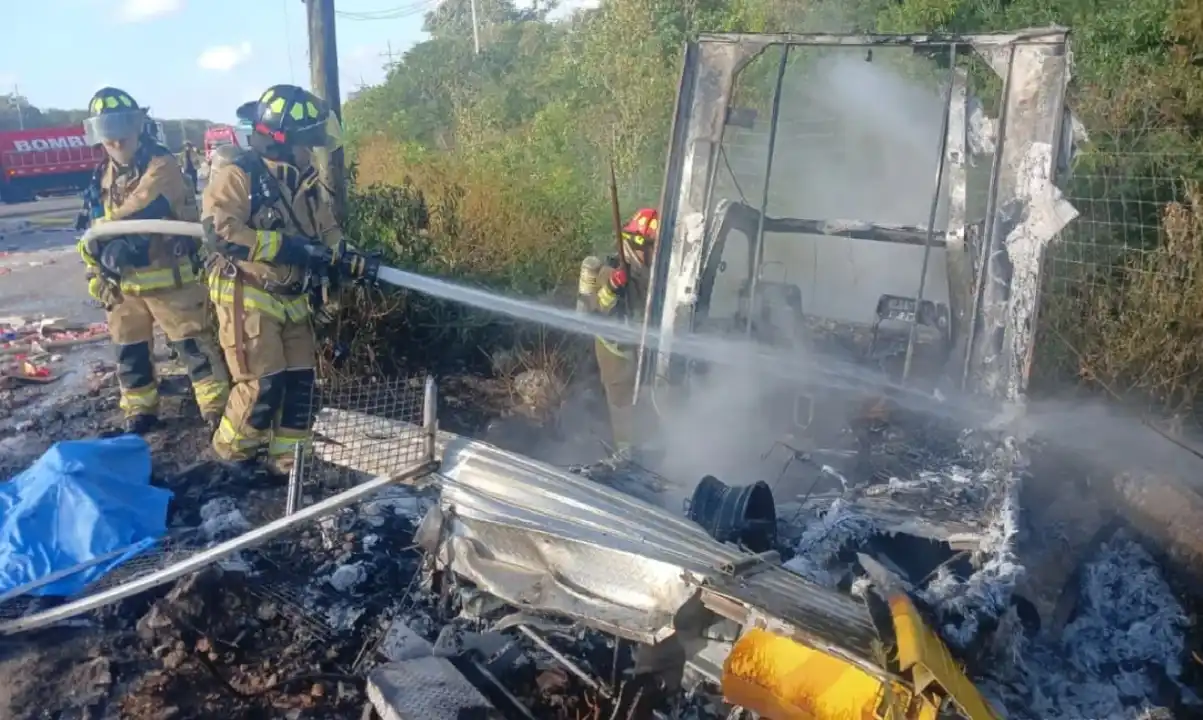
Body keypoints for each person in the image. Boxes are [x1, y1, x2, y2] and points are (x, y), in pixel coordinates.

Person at [201, 84, 363, 479]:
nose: (312, 151)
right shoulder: (238, 175)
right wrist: (284, 247)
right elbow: (220, 231)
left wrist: (347, 254)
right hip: (248, 293)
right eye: (307, 144)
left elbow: (326, 228)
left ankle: (289, 462)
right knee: (263, 384)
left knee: (300, 383)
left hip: (292, 297)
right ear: (282, 141)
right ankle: (232, 459)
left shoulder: (303, 179)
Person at [78, 87, 230, 434]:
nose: (117, 140)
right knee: (129, 353)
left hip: (170, 279)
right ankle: (140, 411)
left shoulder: (162, 164)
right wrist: (95, 272)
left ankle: (217, 412)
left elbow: (141, 209)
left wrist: (109, 236)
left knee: (194, 348)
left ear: (138, 126)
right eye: (108, 132)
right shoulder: (102, 175)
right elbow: (90, 229)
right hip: (122, 286)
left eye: (122, 130)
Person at [583, 207, 659, 462]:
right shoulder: (611, 272)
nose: (656, 254)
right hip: (616, 356)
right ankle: (625, 460)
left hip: (637, 353)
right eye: (653, 247)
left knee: (643, 411)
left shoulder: (645, 274)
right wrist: (613, 287)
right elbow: (597, 310)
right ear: (639, 245)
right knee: (624, 415)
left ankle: (644, 455)